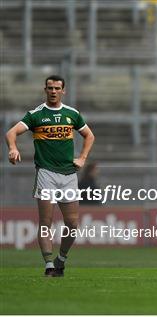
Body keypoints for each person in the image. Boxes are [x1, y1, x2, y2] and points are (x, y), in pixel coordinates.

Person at [5, 75, 95, 277]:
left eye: (57, 88)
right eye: (50, 88)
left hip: (69, 174)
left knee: (72, 223)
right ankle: (48, 264)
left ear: (64, 91)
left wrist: (82, 158)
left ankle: (61, 259)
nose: (53, 91)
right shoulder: (36, 115)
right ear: (45, 90)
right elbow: (11, 133)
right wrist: (12, 149)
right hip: (46, 173)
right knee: (46, 222)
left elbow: (89, 135)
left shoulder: (71, 114)